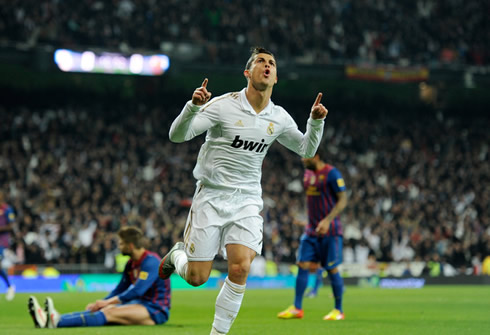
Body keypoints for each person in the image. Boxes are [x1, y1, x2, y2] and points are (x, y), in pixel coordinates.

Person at [159, 47, 328, 335]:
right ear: (247, 73)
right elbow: (178, 135)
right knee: (198, 277)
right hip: (211, 196)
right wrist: (193, 107)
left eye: (271, 63)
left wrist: (315, 122)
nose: (267, 65)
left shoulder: (279, 117)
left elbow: (307, 149)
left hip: (247, 200)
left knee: (240, 268)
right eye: (260, 61)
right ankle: (177, 255)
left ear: (275, 77)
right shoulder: (224, 105)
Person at [28, 226, 171, 328]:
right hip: (139, 304)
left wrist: (106, 304)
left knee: (109, 311)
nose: (119, 247)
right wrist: (101, 302)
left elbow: (137, 291)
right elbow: (120, 289)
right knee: (102, 310)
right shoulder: (131, 264)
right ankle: (52, 318)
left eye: (121, 243)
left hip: (156, 309)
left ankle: (56, 322)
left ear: (131, 245)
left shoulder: (152, 262)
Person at [278, 148, 348, 321]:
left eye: (306, 156)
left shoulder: (332, 174)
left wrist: (327, 220)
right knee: (302, 263)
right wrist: (308, 221)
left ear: (316, 156)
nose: (302, 159)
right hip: (311, 230)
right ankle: (297, 308)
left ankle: (338, 310)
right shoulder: (307, 175)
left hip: (330, 231)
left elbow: (343, 199)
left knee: (331, 268)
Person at [0, 190, 16, 301]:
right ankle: (10, 286)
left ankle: (10, 287)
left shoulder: (7, 209)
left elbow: (11, 225)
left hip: (1, 241)